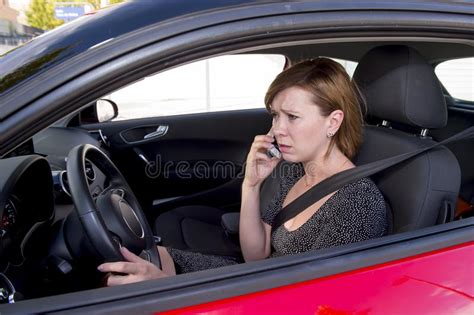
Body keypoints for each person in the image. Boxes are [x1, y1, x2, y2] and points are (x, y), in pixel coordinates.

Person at [98, 58, 387, 286]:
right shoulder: (295, 173)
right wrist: (251, 185)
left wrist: (169, 289)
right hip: (262, 278)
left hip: (275, 300)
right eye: (275, 115)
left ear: (333, 122)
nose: (276, 130)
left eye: (292, 117)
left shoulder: (357, 204)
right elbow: (256, 256)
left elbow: (310, 299)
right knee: (155, 257)